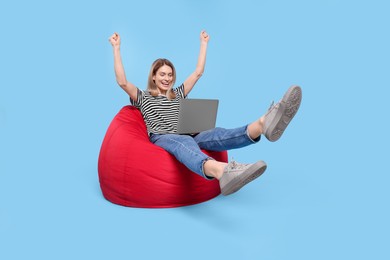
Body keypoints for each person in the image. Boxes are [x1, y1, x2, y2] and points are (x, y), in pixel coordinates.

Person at [108, 30, 302, 196]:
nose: (167, 78)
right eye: (162, 74)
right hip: (163, 136)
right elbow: (122, 82)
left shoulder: (178, 94)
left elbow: (198, 72)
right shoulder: (143, 97)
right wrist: (116, 48)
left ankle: (262, 124)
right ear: (153, 76)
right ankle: (223, 171)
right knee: (184, 142)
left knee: (217, 134)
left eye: (170, 75)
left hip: (189, 131)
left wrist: (204, 43)